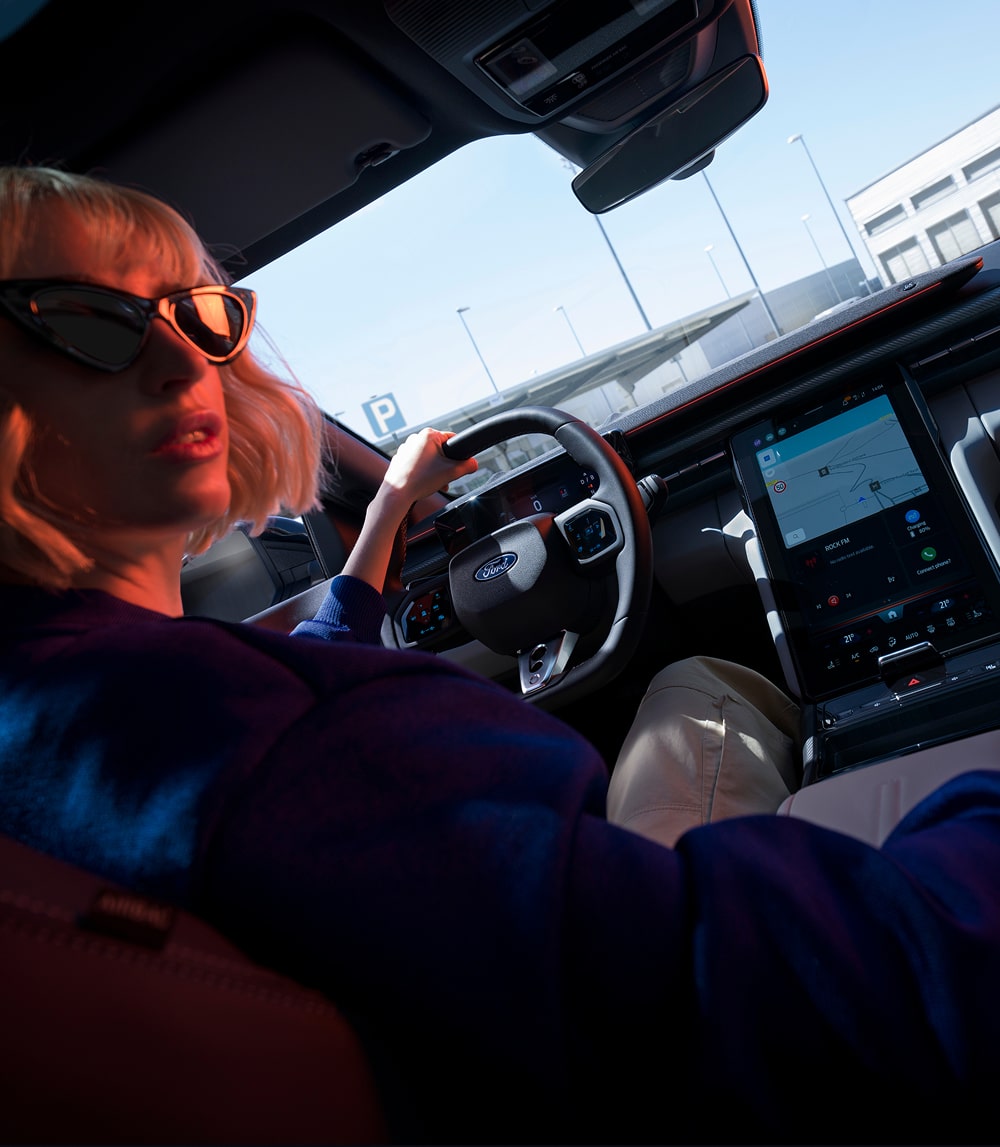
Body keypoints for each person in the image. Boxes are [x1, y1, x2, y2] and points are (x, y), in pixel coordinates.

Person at [1, 164, 999, 1145]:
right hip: (666, 1027)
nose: (182, 363)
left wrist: (391, 508)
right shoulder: (270, 734)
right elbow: (860, 1000)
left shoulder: (99, 709)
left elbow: (300, 684)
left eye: (199, 316)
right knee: (695, 682)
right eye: (91, 322)